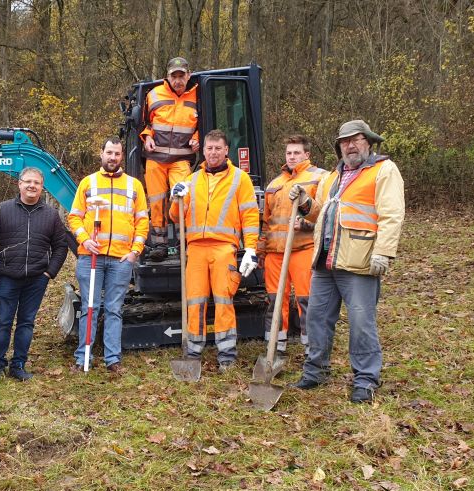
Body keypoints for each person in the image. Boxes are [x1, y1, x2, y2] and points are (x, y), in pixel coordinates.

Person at [288, 120, 405, 403]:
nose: (350, 146)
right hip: (325, 262)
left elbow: (392, 214)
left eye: (356, 140)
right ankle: (315, 371)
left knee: (361, 322)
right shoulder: (332, 177)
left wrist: (383, 252)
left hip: (361, 262)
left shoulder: (383, 171)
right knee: (316, 319)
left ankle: (365, 380)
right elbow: (319, 215)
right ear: (338, 147)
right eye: (345, 141)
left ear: (369, 142)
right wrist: (305, 201)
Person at [169, 130, 260, 371]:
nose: (213, 153)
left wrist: (251, 247)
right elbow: (175, 217)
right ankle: (193, 351)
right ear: (204, 150)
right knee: (195, 302)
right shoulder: (191, 180)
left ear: (226, 150)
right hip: (196, 248)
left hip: (223, 248)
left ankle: (226, 354)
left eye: (217, 148)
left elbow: (250, 215)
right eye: (209, 148)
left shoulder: (240, 179)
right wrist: (176, 199)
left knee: (223, 301)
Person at [0, 167, 68, 383]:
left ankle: (18, 364)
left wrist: (49, 272)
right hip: (7, 277)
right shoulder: (3, 209)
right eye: (28, 181)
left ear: (42, 187)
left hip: (37, 279)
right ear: (19, 184)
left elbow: (61, 246)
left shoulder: (51, 215)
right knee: (3, 322)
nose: (31, 186)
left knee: (26, 322)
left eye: (36, 183)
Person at [67, 137, 149, 373]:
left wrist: (135, 252)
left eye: (117, 154)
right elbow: (74, 217)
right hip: (90, 257)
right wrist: (84, 238)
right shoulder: (88, 183)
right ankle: (83, 357)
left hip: (121, 260)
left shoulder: (134, 186)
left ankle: (113, 359)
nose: (113, 157)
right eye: (109, 153)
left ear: (122, 156)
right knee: (90, 307)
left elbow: (142, 221)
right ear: (101, 154)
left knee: (114, 309)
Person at [257, 135, 326, 357]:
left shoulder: (319, 178)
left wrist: (305, 225)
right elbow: (266, 222)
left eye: (297, 153)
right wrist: (261, 250)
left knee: (307, 301)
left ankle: (312, 351)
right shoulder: (274, 184)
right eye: (289, 153)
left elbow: (326, 214)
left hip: (303, 249)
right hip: (275, 253)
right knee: (275, 302)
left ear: (307, 154)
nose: (292, 156)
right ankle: (275, 349)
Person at [140, 56, 199, 261]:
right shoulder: (153, 94)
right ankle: (159, 245)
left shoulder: (197, 96)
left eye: (181, 76)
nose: (178, 80)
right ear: (168, 77)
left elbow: (204, 126)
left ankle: (186, 241)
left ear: (188, 75)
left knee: (183, 197)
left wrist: (197, 138)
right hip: (155, 158)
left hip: (181, 159)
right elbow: (146, 123)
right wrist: (146, 137)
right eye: (174, 76)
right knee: (157, 202)